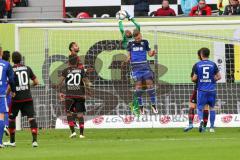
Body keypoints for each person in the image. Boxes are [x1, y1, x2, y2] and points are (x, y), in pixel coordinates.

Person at [4, 51, 39, 147]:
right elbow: (36, 82)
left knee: (11, 119)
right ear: (21, 59)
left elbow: (11, 84)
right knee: (31, 118)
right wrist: (27, 86)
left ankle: (12, 142)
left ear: (12, 59)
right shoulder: (27, 68)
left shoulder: (11, 69)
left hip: (16, 99)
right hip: (28, 97)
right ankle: (35, 141)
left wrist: (6, 94)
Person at [58, 55, 91, 138]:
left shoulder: (65, 71)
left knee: (69, 113)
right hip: (80, 95)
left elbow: (59, 83)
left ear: (68, 62)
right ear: (77, 62)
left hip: (69, 96)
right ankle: (81, 134)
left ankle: (73, 132)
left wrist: (60, 92)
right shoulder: (81, 70)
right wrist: (88, 91)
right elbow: (87, 83)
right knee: (80, 115)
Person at [127, 29, 158, 115]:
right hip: (135, 68)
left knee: (150, 84)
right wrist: (128, 58)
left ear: (141, 35)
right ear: (134, 38)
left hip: (145, 66)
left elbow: (149, 54)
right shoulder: (130, 44)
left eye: (139, 38)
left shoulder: (145, 42)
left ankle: (153, 104)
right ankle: (140, 106)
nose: (138, 39)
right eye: (137, 39)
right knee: (139, 87)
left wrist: (153, 53)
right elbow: (128, 55)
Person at [192, 48, 221, 133]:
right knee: (212, 108)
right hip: (211, 90)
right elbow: (219, 77)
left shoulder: (198, 65)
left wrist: (198, 80)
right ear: (208, 54)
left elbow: (194, 78)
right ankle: (212, 127)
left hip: (202, 90)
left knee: (200, 108)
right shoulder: (213, 64)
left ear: (201, 54)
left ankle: (201, 121)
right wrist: (211, 80)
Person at [0, 48, 15, 148]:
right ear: (0, 52)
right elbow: (12, 80)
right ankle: (0, 142)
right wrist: (13, 91)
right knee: (1, 117)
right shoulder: (6, 64)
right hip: (1, 94)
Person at [2, 50, 11, 136]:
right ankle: (6, 126)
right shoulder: (8, 66)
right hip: (5, 92)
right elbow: (11, 81)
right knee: (5, 111)